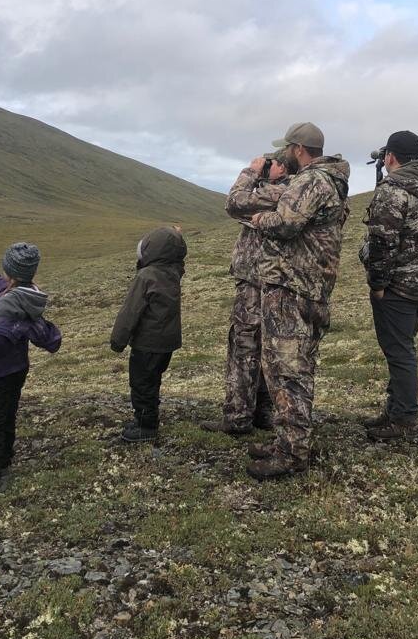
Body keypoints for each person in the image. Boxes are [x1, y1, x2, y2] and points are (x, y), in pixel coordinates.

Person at [246, 122, 350, 480]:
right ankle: (286, 442)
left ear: (299, 150)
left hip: (294, 288)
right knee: (287, 367)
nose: (284, 155)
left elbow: (286, 223)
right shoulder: (330, 180)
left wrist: (260, 218)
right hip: (306, 285)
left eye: (288, 149)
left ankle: (292, 454)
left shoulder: (311, 181)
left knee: (289, 370)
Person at [360, 131, 418, 441]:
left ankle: (406, 422)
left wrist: (377, 285)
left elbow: (382, 242)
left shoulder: (393, 190)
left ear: (390, 157)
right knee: (402, 349)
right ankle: (396, 410)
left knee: (399, 353)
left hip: (398, 286)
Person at [201, 152, 289, 436]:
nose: (266, 165)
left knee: (245, 345)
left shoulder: (278, 190)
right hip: (274, 281)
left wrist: (251, 171)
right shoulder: (294, 190)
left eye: (271, 162)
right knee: (266, 346)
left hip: (255, 280)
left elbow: (235, 202)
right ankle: (262, 412)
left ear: (283, 166)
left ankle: (238, 416)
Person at [0, 242, 62, 500]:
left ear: (10, 272)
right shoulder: (24, 296)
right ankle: (4, 461)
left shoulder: (9, 312)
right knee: (6, 415)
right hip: (17, 369)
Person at [110, 226, 187, 443]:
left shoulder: (146, 276)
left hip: (147, 344)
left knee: (142, 384)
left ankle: (146, 426)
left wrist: (118, 340)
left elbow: (130, 311)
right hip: (166, 343)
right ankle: (146, 418)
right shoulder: (174, 272)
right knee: (152, 381)